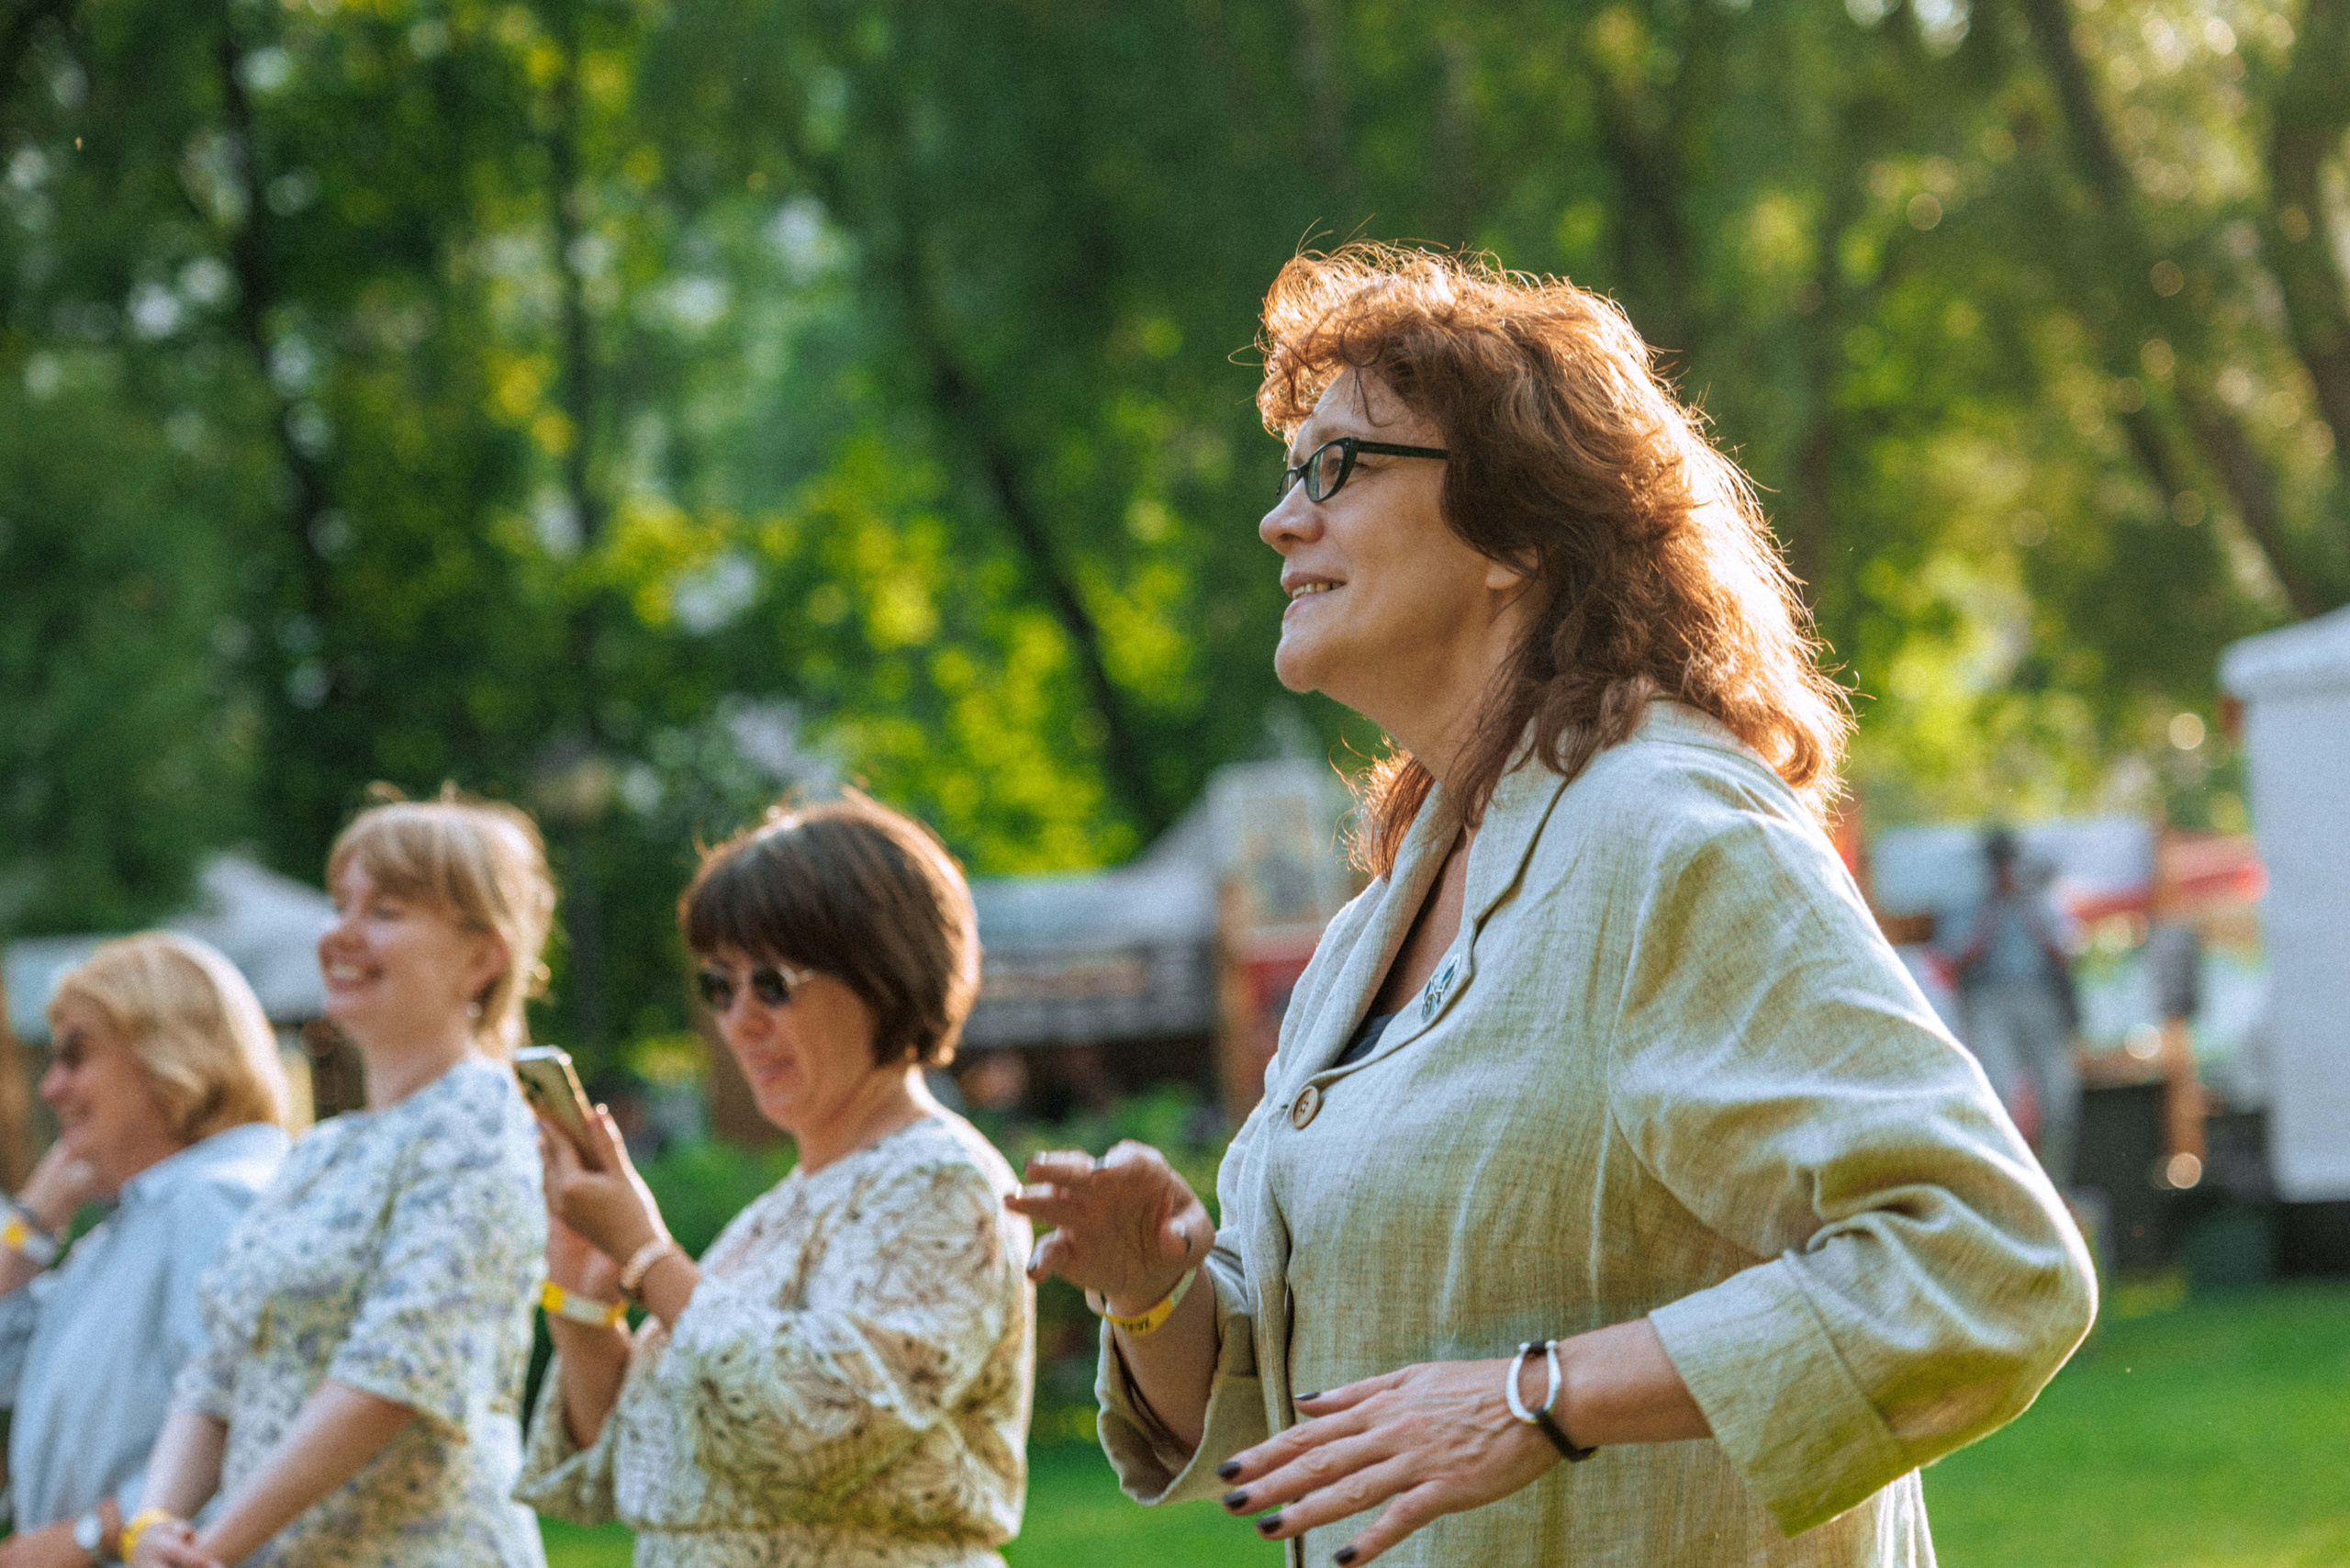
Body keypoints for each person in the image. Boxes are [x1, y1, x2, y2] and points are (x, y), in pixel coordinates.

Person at [1010, 245, 2097, 1567]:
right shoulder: (1374, 927)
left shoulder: (1668, 832)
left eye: (1342, 466)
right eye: (1293, 473)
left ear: (1518, 532)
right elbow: (1295, 1416)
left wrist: (1544, 1398)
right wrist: (1157, 1291)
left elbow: (1985, 1260)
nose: (1281, 519)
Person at [516, 792, 1035, 1567]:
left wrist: (650, 1256)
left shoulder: (941, 1183)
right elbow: (625, 1467)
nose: (740, 1020)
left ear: (884, 973)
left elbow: (822, 1424)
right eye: (719, 986)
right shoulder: (776, 1212)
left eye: (774, 983)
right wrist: (584, 1297)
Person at [127, 791, 554, 1568]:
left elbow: (393, 1376)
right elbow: (217, 1371)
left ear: (483, 956)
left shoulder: (480, 1120)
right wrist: (155, 1523)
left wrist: (215, 1548)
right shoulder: (322, 1152)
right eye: (339, 904)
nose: (341, 934)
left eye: (385, 911)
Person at [0, 935, 291, 1567]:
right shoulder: (132, 1223)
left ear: (167, 1052)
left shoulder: (216, 1201)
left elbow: (259, 1428)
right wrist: (32, 1222)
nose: (51, 1088)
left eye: (75, 1056)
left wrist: (85, 1537)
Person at [1951, 828, 2083, 1186]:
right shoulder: (1970, 899)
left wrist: (2026, 905)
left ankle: (2055, 1182)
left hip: (2041, 997)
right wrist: (1990, 909)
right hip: (1989, 1000)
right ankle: (2011, 1182)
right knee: (2000, 1092)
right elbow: (1956, 959)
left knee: (2058, 1094)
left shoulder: (2041, 896)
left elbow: (2066, 952)